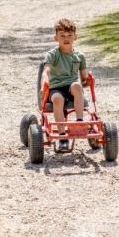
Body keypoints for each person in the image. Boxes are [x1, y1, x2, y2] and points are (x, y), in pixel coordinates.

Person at [40, 18, 89, 151]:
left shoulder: (80, 56)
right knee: (57, 99)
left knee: (77, 86)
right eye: (62, 36)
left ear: (75, 37)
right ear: (56, 38)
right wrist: (45, 79)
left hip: (72, 87)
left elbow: (84, 78)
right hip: (56, 88)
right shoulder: (53, 54)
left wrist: (87, 80)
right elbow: (47, 69)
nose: (66, 38)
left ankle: (79, 122)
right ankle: (62, 136)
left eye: (69, 35)